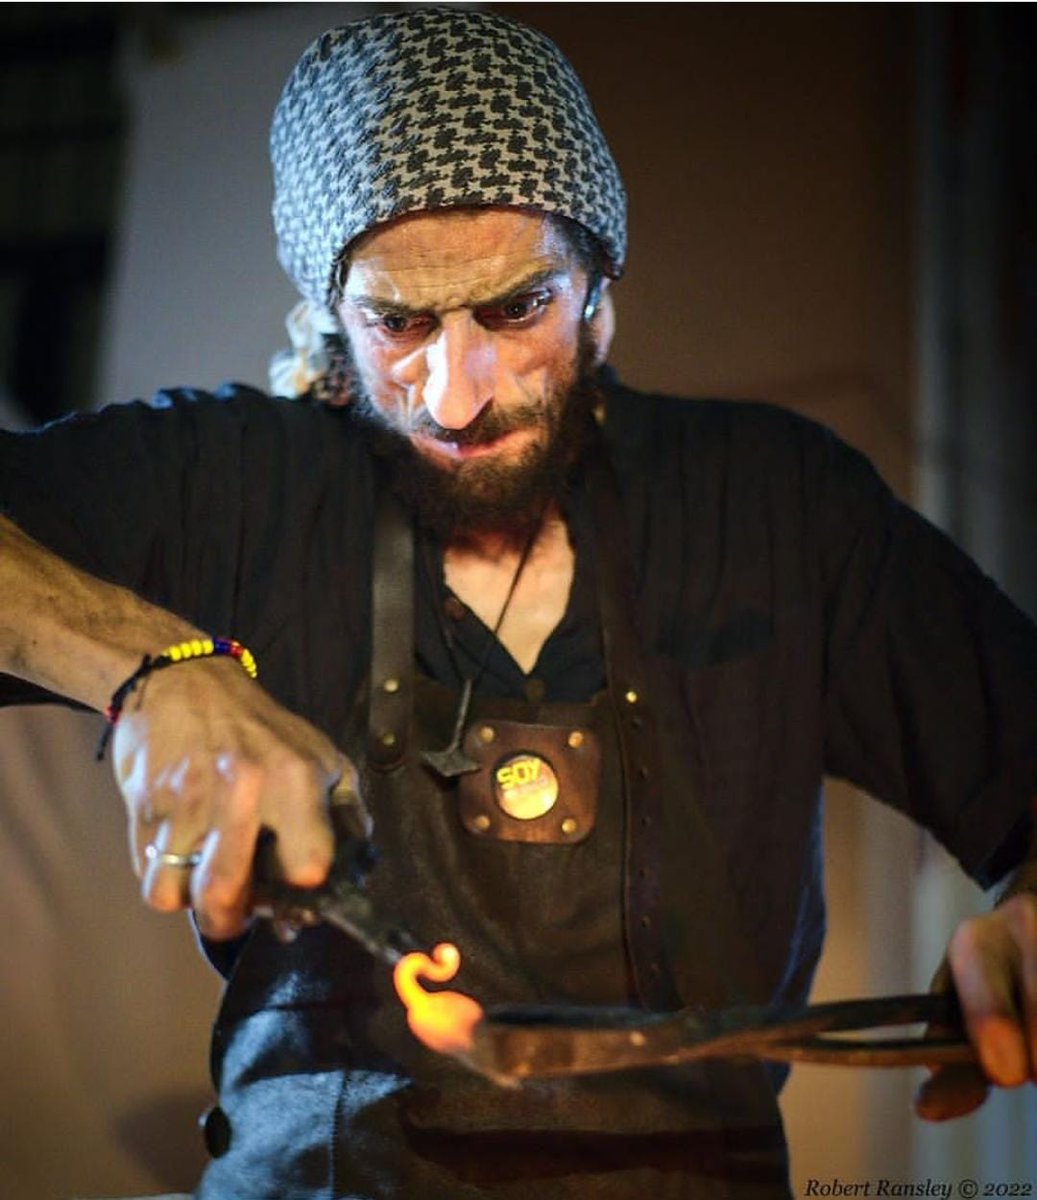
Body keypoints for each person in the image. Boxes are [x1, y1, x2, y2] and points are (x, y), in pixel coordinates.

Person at [0, 8, 1034, 1198]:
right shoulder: (230, 479)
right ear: (331, 312)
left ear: (599, 286)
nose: (454, 396)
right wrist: (152, 667)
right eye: (398, 323)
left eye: (514, 309)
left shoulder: (775, 504)